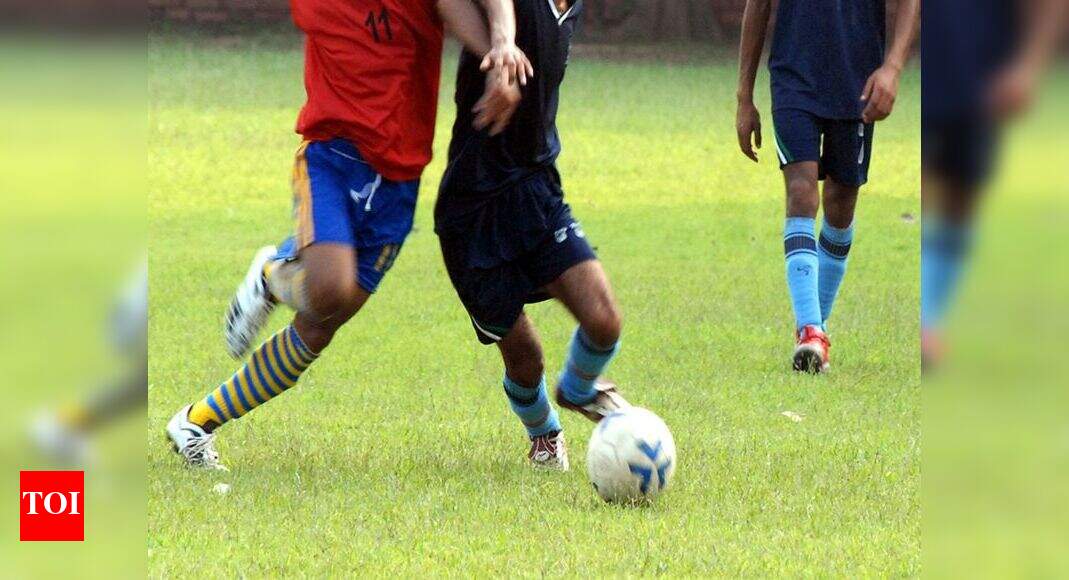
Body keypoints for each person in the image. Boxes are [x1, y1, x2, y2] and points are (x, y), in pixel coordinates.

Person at [166, 0, 534, 470]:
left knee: (321, 324)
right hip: (331, 159)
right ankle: (271, 273)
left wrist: (499, 52)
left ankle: (195, 423)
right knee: (328, 288)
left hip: (398, 182)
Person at [436, 0, 629, 471]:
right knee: (524, 356)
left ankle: (579, 390)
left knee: (604, 320)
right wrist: (500, 44)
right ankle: (544, 435)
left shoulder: (571, 9)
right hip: (473, 208)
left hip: (537, 190)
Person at [735, 0, 920, 372]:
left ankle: (813, 330)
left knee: (840, 202)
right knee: (801, 192)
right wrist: (744, 97)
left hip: (858, 80)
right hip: (793, 78)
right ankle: (810, 331)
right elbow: (758, 7)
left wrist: (893, 68)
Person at [921, 0, 1065, 369]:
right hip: (927, 63)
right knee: (923, 185)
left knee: (961, 192)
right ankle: (921, 320)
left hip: (981, 70)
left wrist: (1028, 68)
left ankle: (929, 318)